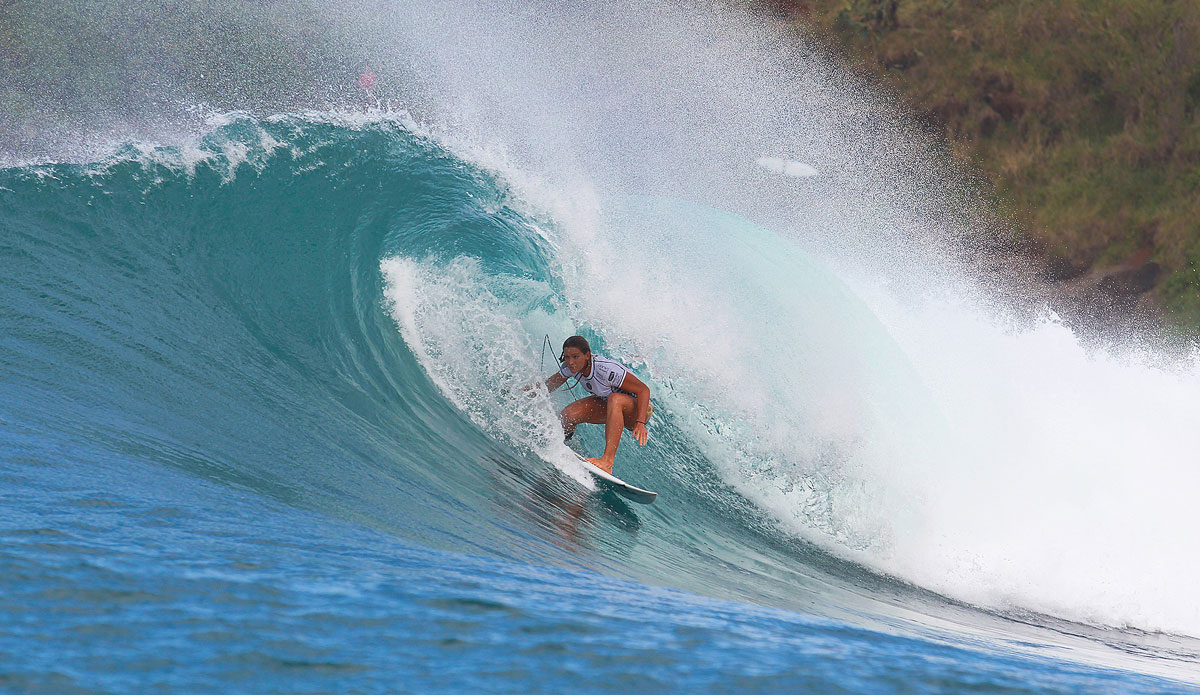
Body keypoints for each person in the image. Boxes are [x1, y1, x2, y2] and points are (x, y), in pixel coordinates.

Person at [537, 336, 652, 474]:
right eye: (567, 357)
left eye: (575, 356)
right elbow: (547, 387)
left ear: (587, 355)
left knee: (615, 399)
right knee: (568, 415)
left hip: (639, 410)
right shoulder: (570, 368)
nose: (570, 362)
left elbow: (643, 390)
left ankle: (607, 462)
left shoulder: (606, 370)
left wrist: (640, 422)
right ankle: (564, 445)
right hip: (610, 405)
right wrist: (518, 392)